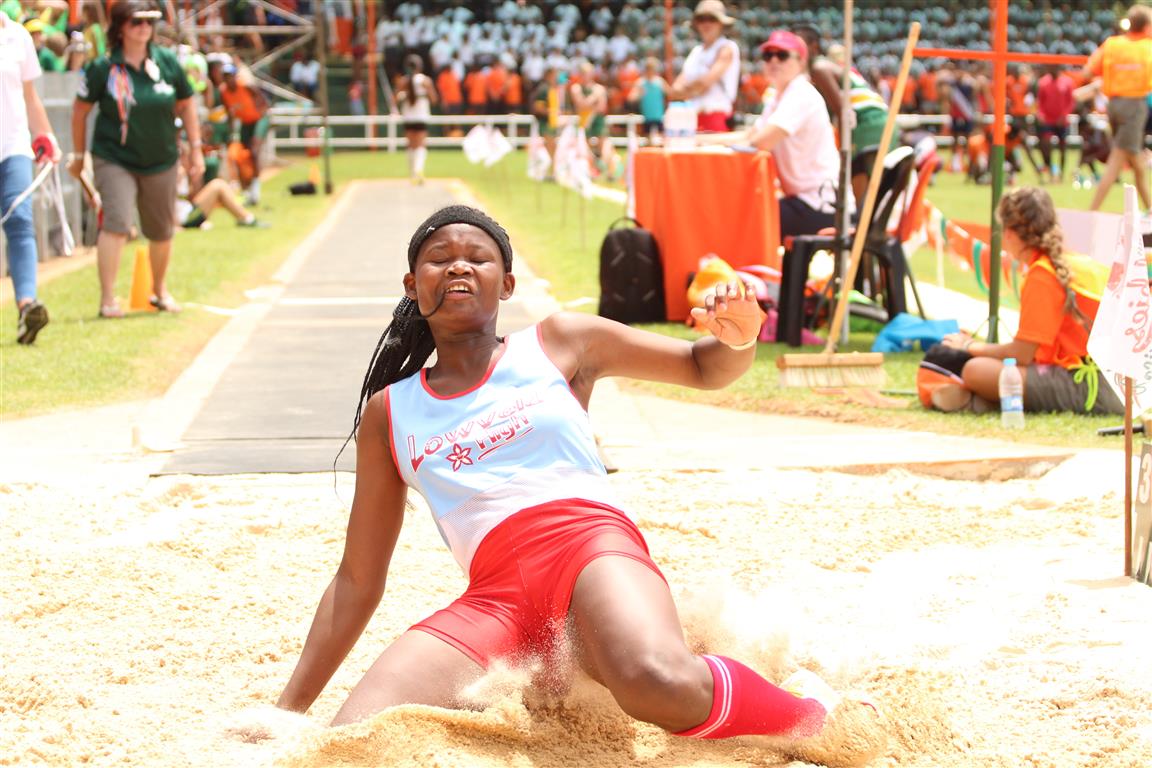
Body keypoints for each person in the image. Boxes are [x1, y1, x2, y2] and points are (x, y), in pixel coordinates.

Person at [275, 205, 881, 764]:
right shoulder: (391, 412)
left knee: (656, 680)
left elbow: (703, 365)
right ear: (413, 285)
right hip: (496, 599)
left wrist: (739, 335)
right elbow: (357, 579)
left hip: (589, 550)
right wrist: (286, 712)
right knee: (352, 743)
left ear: (506, 284)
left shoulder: (559, 342)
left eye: (478, 257)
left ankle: (813, 715)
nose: (458, 265)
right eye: (439, 259)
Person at [933, 187, 1123, 415]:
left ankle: (983, 401)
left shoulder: (1042, 275)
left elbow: (1022, 354)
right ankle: (985, 402)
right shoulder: (1078, 262)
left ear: (1009, 234)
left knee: (976, 370)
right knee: (990, 368)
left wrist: (969, 346)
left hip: (1092, 386)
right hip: (1118, 384)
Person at [68, 0, 203, 318]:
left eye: (149, 22)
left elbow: (186, 104)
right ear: (120, 27)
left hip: (161, 157)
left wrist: (196, 148)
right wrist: (79, 155)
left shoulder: (166, 61)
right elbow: (80, 111)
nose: (144, 28)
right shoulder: (103, 67)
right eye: (136, 22)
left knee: (161, 228)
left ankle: (160, 290)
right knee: (116, 222)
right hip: (114, 156)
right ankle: (107, 299)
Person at [701, 31, 844, 240]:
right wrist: (700, 140)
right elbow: (749, 135)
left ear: (801, 61)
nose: (774, 61)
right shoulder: (779, 96)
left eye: (782, 55)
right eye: (768, 55)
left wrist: (707, 142)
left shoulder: (801, 93)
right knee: (738, 212)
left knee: (738, 219)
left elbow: (760, 142)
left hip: (821, 204)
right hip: (806, 199)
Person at [1, 9, 61, 344]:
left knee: (20, 219)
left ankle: (27, 306)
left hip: (13, 145)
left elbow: (29, 96)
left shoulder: (17, 36)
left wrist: (46, 136)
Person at [1084, 5, 1152, 216]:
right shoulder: (1148, 47)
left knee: (1135, 159)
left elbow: (1087, 71)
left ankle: (1150, 208)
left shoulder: (1112, 44)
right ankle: (1091, 212)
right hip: (1135, 106)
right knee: (1118, 157)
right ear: (1147, 27)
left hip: (1113, 105)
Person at [667, 0, 740, 132]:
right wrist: (694, 88)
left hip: (716, 118)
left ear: (721, 23)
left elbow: (703, 84)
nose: (706, 23)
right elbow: (675, 90)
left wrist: (687, 90)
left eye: (712, 19)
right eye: (702, 19)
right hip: (691, 119)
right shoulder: (696, 51)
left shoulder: (727, 47)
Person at [217, 62, 269, 205]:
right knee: (241, 156)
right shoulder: (224, 92)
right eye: (226, 76)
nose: (229, 79)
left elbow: (261, 98)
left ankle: (255, 190)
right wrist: (231, 132)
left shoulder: (245, 86)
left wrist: (261, 111)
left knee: (254, 151)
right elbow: (229, 113)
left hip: (258, 119)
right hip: (245, 122)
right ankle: (246, 190)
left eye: (230, 76)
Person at [396, 53, 438, 186]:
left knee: (411, 145)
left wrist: (403, 96)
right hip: (421, 116)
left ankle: (412, 173)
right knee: (420, 145)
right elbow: (434, 99)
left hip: (408, 116)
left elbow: (395, 98)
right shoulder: (425, 81)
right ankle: (418, 170)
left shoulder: (403, 81)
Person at [1035, 65, 1076, 183]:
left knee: (1063, 147)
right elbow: (1040, 102)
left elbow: (1071, 102)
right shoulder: (1043, 83)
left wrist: (1064, 115)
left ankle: (1061, 174)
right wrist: (1041, 114)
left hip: (1062, 121)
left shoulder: (1067, 82)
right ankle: (1050, 171)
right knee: (1046, 144)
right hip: (1048, 120)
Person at [629, 56, 667, 142]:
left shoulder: (660, 81)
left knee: (662, 140)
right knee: (648, 140)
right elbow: (631, 98)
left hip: (659, 116)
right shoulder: (640, 83)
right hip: (647, 117)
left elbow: (671, 94)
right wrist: (639, 94)